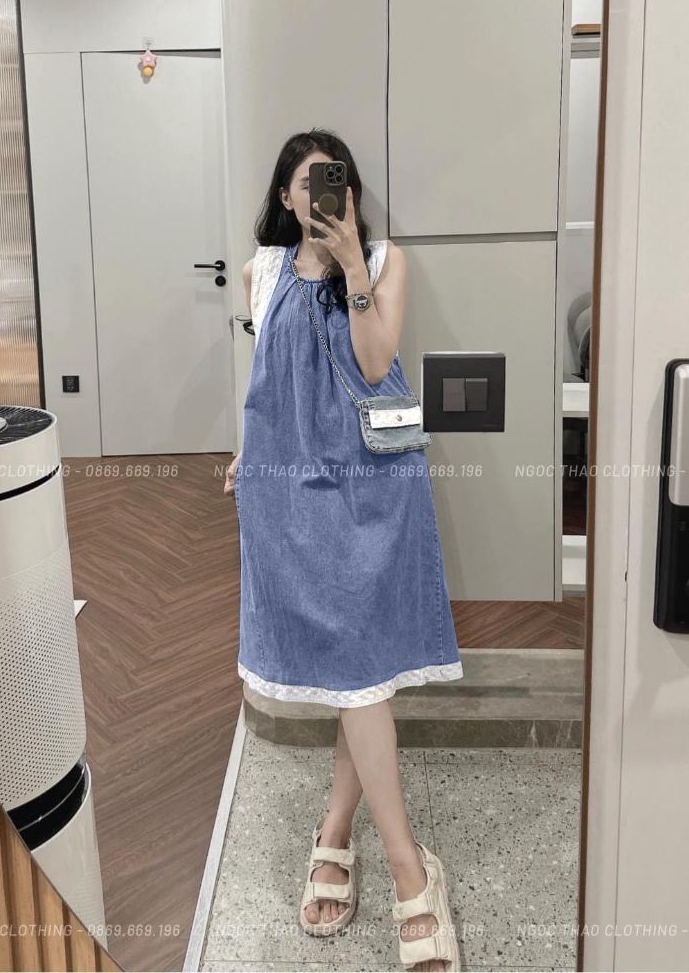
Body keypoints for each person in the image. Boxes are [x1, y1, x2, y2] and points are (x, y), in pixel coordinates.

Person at [224, 129, 462, 971]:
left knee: (358, 673)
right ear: (284, 197)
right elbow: (266, 384)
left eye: (334, 183)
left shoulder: (388, 262)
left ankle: (401, 866)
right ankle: (349, 835)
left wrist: (354, 266)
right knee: (350, 676)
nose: (319, 195)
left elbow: (373, 362)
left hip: (370, 487)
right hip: (289, 490)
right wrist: (247, 455)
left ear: (348, 195)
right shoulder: (260, 272)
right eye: (304, 183)